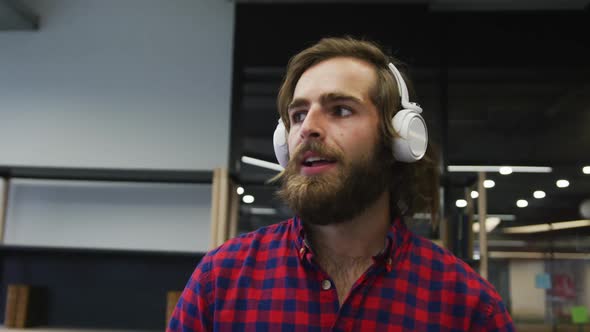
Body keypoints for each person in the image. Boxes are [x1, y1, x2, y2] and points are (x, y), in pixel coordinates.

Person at [168, 37, 514, 331]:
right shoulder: (221, 280)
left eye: (341, 110)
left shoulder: (467, 308)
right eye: (298, 114)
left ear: (398, 138)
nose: (307, 129)